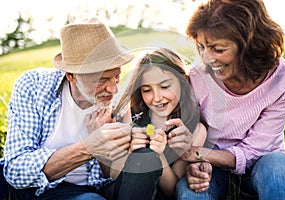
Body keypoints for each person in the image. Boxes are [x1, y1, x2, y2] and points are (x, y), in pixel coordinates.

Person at [0, 18, 163, 200]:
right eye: (102, 80)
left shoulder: (117, 100)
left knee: (145, 160)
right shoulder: (34, 87)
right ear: (71, 75)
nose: (114, 89)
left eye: (116, 76)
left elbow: (112, 175)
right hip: (44, 190)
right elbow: (15, 170)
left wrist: (117, 148)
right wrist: (89, 147)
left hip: (98, 187)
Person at [175, 0, 285, 199]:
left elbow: (257, 148)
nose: (206, 59)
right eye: (201, 47)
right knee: (191, 194)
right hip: (212, 165)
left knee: (278, 168)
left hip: (263, 160)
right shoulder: (198, 76)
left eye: (218, 49)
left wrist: (199, 153)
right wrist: (200, 164)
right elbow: (194, 128)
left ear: (250, 46)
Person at [112, 48, 207, 199]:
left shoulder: (195, 130)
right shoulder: (135, 116)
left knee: (147, 157)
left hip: (159, 195)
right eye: (147, 90)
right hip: (126, 191)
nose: (156, 98)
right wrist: (130, 151)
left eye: (164, 87)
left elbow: (172, 190)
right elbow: (115, 176)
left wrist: (158, 154)